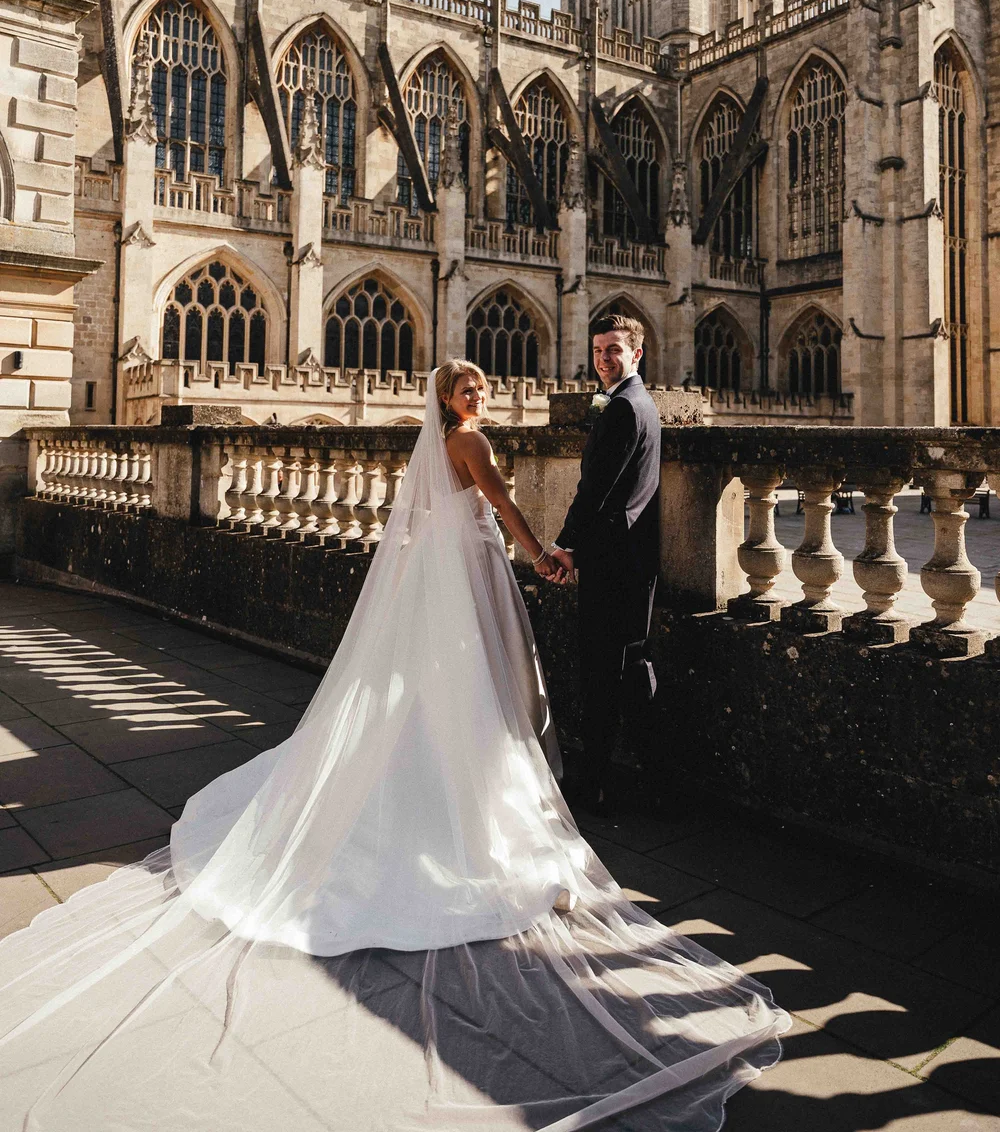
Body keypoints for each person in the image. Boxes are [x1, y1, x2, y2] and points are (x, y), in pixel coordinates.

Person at [0, 362, 788, 1131]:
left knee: (443, 692)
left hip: (449, 571)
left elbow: (415, 524)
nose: (478, 393)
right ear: (446, 399)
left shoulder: (443, 444)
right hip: (475, 568)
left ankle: (433, 786)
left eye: (481, 384)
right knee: (481, 688)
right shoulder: (471, 445)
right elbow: (502, 509)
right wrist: (542, 555)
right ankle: (465, 809)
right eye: (466, 387)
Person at [550, 314, 660, 815]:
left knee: (601, 672)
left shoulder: (622, 409)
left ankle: (593, 782)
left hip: (612, 560)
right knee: (627, 665)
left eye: (614, 350)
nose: (603, 359)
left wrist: (565, 544)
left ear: (637, 354)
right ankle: (645, 776)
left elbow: (597, 491)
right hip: (631, 559)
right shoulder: (638, 403)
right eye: (598, 350)